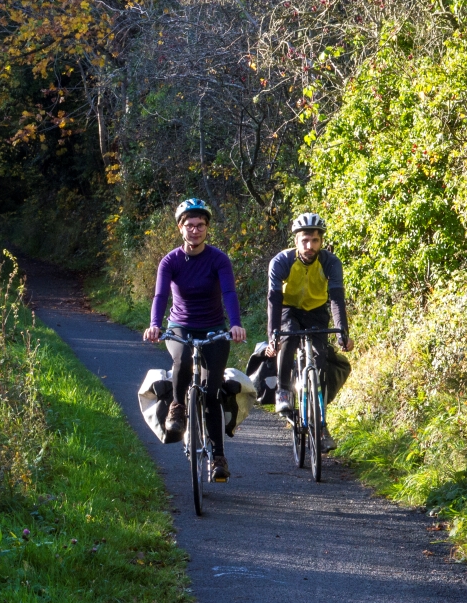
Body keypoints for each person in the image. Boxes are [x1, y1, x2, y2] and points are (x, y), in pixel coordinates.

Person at [143, 198, 246, 482]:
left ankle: (218, 459)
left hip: (214, 328)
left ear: (207, 229)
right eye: (190, 225)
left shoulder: (218, 259)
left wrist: (235, 324)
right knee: (182, 360)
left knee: (212, 393)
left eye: (201, 225)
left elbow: (229, 294)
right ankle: (177, 406)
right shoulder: (171, 261)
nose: (196, 230)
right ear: (180, 228)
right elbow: (161, 296)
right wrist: (154, 325)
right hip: (180, 327)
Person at [265, 212, 354, 450]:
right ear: (296, 241)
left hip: (316, 311)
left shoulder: (330, 262)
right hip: (288, 310)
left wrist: (341, 333)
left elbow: (336, 298)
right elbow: (273, 299)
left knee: (320, 359)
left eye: (315, 240)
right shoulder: (281, 261)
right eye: (305, 240)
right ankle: (283, 390)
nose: (309, 246)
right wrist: (273, 335)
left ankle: (320, 423)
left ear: (321, 241)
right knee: (289, 340)